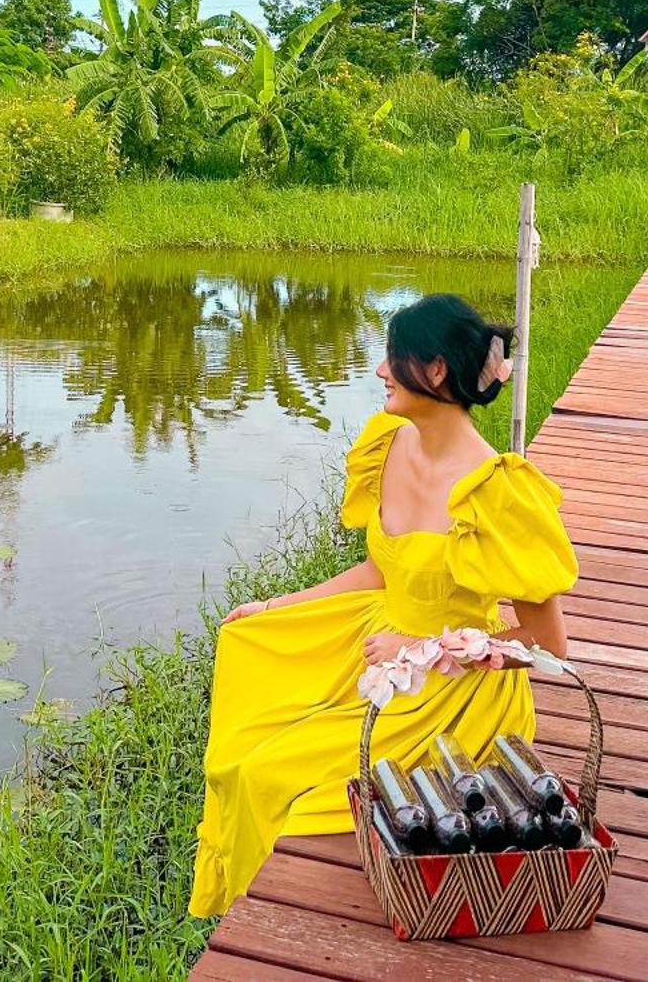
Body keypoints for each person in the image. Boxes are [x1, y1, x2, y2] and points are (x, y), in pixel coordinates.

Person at [188, 293, 578, 918]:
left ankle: (274, 911)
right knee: (246, 746)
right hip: (376, 654)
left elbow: (548, 648)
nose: (379, 373)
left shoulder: (497, 491)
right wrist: (278, 603)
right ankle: (240, 899)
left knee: (273, 778)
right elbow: (381, 568)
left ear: (435, 372)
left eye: (392, 359)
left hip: (452, 697)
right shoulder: (390, 442)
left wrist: (422, 651)